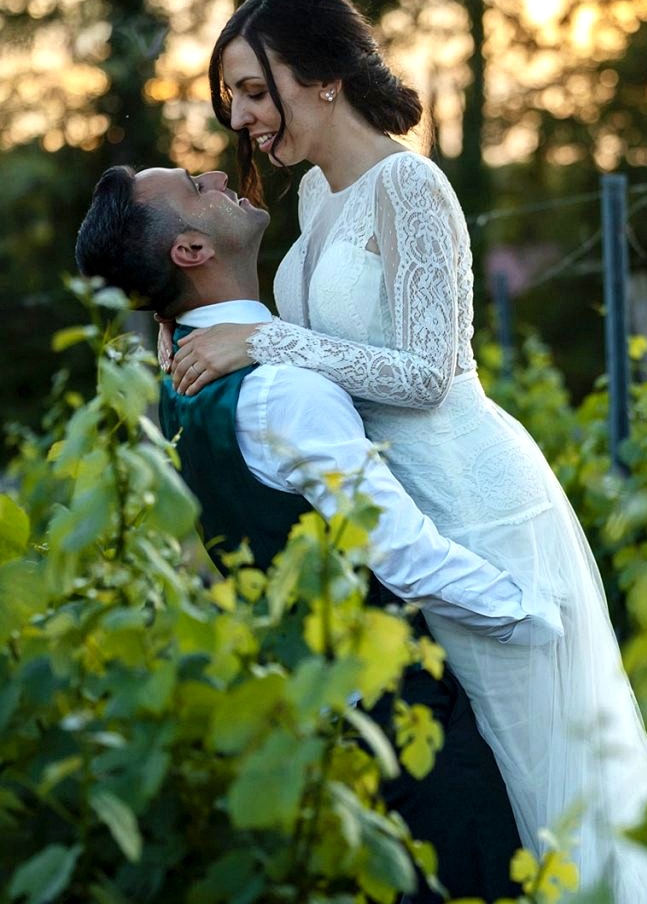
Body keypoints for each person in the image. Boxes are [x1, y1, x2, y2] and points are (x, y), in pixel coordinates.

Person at [161, 0, 647, 901]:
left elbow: (427, 372)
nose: (239, 118)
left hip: (482, 507)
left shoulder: (411, 183)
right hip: (411, 520)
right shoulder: (316, 200)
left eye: (250, 89)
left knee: (546, 777)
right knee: (485, 781)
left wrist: (263, 336)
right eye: (231, 97)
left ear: (318, 75)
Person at [75, 163, 571, 901]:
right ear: (189, 250)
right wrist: (532, 616)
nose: (215, 170)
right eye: (194, 186)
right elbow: (397, 551)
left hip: (318, 713)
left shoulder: (183, 378)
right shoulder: (284, 390)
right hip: (405, 717)